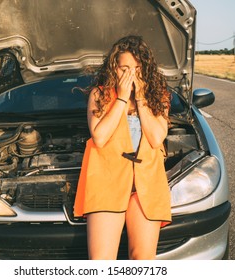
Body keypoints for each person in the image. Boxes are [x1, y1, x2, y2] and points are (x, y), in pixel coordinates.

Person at [73, 35, 172, 260]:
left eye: (137, 68)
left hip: (145, 188)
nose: (131, 75)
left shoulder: (159, 97)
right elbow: (99, 137)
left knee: (143, 259)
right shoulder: (100, 95)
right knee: (101, 260)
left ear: (145, 70)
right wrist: (122, 99)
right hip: (107, 184)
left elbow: (156, 138)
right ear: (113, 69)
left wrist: (141, 99)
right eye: (124, 68)